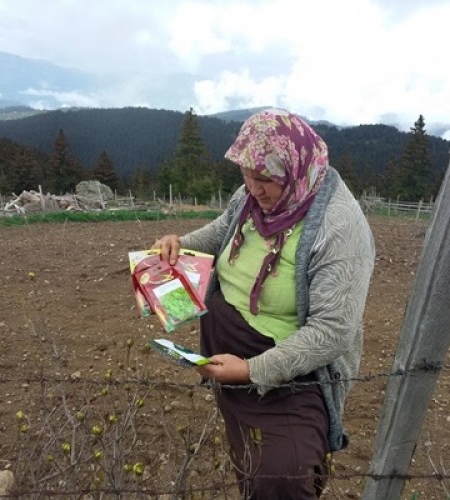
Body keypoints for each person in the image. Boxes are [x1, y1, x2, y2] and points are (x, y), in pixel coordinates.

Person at [153, 109, 375, 499]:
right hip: (227, 350)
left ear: (294, 168)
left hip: (291, 369)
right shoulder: (251, 197)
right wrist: (178, 243)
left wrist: (252, 370)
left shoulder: (339, 227)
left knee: (284, 475)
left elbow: (333, 332)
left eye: (265, 178)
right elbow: (222, 231)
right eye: (246, 175)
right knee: (250, 459)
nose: (253, 188)